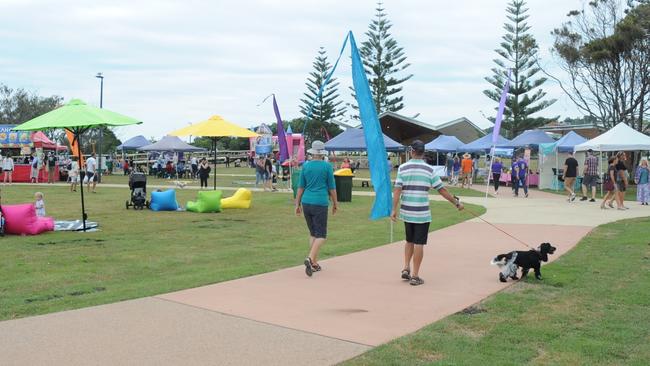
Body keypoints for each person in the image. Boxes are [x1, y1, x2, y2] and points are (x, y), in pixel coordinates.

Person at [391, 140, 464, 286]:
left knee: (409, 240)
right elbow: (441, 190)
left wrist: (393, 209)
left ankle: (406, 267)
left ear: (412, 151)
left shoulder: (403, 168)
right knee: (419, 243)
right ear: (423, 152)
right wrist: (456, 203)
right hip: (422, 213)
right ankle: (415, 276)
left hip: (407, 211)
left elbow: (398, 189)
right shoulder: (430, 170)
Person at [295, 141, 338, 277]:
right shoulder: (327, 167)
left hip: (306, 201)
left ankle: (314, 262)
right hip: (320, 202)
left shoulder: (306, 166)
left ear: (312, 153)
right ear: (322, 153)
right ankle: (309, 258)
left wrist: (297, 204)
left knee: (313, 233)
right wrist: (335, 203)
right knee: (321, 236)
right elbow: (332, 187)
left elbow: (300, 187)